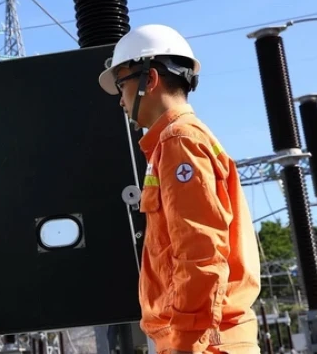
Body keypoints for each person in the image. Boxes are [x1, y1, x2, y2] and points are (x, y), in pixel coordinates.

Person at [98, 24, 262, 354]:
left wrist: (187, 342)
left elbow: (200, 251)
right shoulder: (178, 142)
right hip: (205, 337)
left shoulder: (179, 141)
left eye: (121, 86)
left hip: (204, 341)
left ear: (150, 80)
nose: (120, 101)